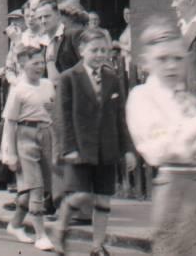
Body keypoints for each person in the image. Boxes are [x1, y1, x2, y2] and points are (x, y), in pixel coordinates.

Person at [127, 16, 196, 255]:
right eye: (162, 59)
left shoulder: (188, 99)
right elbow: (160, 149)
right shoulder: (142, 97)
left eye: (178, 59)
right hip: (179, 192)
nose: (171, 66)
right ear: (146, 62)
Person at [50, 28, 136, 256]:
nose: (99, 54)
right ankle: (61, 227)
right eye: (94, 50)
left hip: (106, 148)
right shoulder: (69, 78)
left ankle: (97, 246)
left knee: (104, 199)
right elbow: (62, 117)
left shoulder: (112, 78)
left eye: (104, 50)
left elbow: (120, 117)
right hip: (78, 148)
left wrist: (127, 150)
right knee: (79, 195)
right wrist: (68, 148)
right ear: (81, 51)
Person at [0, 46, 56, 251]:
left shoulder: (48, 85)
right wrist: (11, 153)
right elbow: (10, 123)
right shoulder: (18, 90)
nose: (40, 67)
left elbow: (53, 112)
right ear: (23, 65)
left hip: (46, 136)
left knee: (31, 191)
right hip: (25, 137)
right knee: (36, 187)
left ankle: (15, 224)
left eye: (42, 62)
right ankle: (41, 235)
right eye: (35, 63)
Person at [33, 0, 81, 80]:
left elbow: (84, 63)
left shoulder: (73, 34)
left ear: (58, 15)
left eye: (47, 16)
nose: (43, 21)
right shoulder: (41, 44)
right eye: (39, 18)